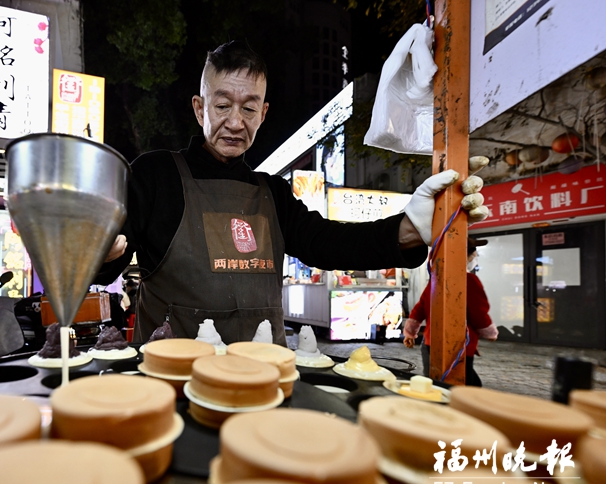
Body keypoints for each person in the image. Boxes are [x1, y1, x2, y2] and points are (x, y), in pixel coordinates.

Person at [95, 40, 488, 346]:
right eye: (222, 105)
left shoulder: (272, 193)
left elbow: (332, 244)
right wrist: (100, 252)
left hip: (264, 382)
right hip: (173, 386)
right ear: (200, 109)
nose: (235, 122)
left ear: (263, 114)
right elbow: (108, 253)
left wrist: (413, 225)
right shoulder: (154, 175)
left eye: (249, 109)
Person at [403, 238, 499, 386]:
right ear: (467, 256)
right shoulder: (470, 280)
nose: (474, 258)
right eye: (473, 254)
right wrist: (490, 333)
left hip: (431, 343)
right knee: (458, 387)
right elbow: (478, 313)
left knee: (437, 383)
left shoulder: (437, 279)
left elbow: (420, 307)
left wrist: (410, 332)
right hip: (458, 346)